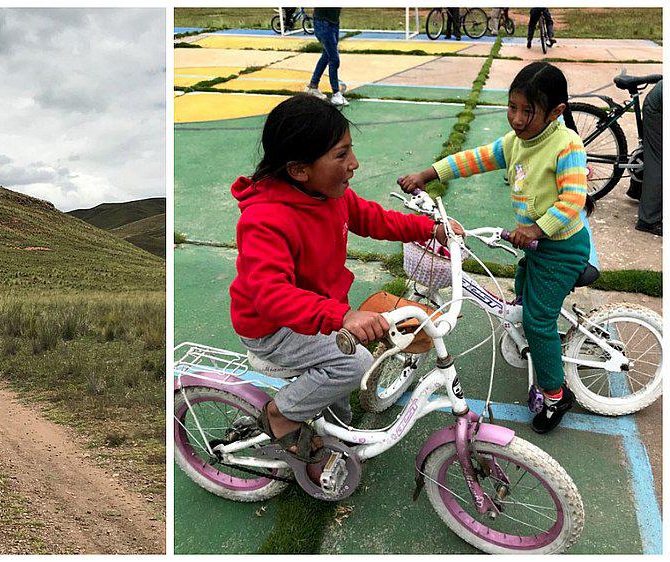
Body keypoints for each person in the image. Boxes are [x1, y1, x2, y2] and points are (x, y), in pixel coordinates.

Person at [230, 94, 463, 462]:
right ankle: (280, 414)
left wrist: (428, 228)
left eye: (350, 150)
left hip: (316, 314)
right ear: (298, 169)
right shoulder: (265, 220)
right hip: (272, 328)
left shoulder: (329, 194)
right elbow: (270, 294)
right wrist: (343, 317)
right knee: (352, 363)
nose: (354, 164)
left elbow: (374, 219)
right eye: (341, 155)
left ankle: (332, 428)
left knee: (342, 372)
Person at [400, 62, 589, 433]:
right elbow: (476, 158)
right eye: (512, 107)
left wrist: (536, 227)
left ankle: (555, 394)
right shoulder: (517, 142)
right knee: (521, 291)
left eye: (527, 111)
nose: (517, 119)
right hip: (536, 245)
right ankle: (534, 335)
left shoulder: (567, 145)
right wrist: (429, 174)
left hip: (563, 248)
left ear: (556, 113)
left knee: (538, 320)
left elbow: (572, 201)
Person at [305, 8, 348, 106]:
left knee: (326, 55)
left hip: (333, 22)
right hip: (323, 23)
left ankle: (313, 86)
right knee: (334, 59)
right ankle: (336, 93)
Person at [636, 79, 662, 236]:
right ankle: (648, 220)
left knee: (653, 153)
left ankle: (637, 189)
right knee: (660, 161)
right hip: (658, 108)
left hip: (659, 99)